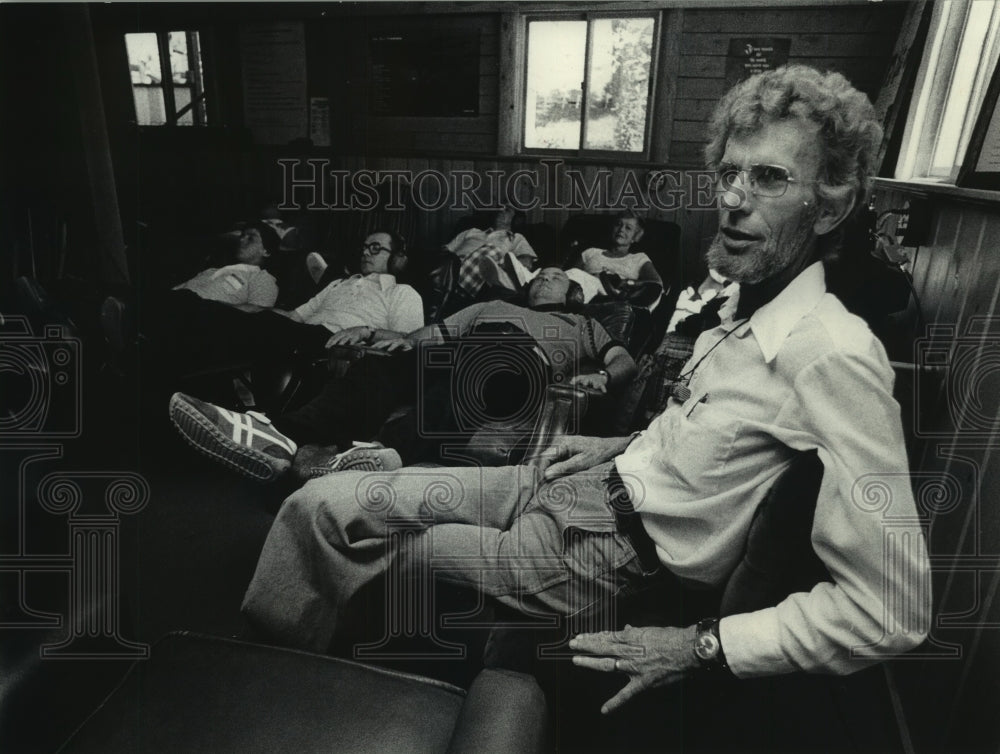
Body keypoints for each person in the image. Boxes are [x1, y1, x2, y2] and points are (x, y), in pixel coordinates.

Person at [238, 65, 931, 715]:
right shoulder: (735, 313)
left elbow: (892, 610)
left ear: (831, 205)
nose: (733, 202)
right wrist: (619, 439)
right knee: (323, 506)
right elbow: (713, 437)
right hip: (569, 481)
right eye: (729, 174)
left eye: (771, 178)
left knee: (368, 548)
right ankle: (297, 496)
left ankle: (285, 702)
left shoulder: (835, 355)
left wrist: (704, 644)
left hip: (603, 557)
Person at [169, 267, 636, 479]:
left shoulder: (585, 324)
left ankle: (381, 452)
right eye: (538, 275)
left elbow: (625, 361)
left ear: (574, 292)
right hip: (470, 347)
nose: (542, 279)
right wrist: (378, 334)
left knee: (478, 365)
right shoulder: (491, 304)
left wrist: (605, 377)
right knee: (387, 365)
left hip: (523, 364)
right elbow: (429, 336)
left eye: (554, 276)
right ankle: (280, 435)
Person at [172, 223, 281, 310]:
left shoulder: (262, 278)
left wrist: (206, 305)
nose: (241, 240)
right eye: (242, 236)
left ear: (266, 252)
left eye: (251, 238)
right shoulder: (213, 269)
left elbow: (259, 312)